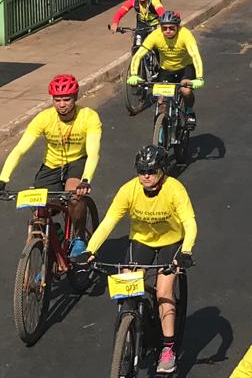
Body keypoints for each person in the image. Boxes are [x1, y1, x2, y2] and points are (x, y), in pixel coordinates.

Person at [75, 145, 196, 375]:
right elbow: (110, 221)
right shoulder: (129, 190)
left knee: (163, 291)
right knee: (129, 287)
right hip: (142, 241)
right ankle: (128, 330)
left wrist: (186, 251)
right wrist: (90, 250)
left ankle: (168, 349)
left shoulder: (175, 189)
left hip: (171, 242)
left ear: (162, 171)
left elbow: (189, 222)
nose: (146, 176)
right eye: (141, 171)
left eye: (151, 171)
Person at [0, 74, 100, 256]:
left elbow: (94, 153)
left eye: (67, 99)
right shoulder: (44, 118)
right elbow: (20, 149)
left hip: (77, 162)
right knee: (38, 214)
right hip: (51, 165)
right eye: (57, 99)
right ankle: (55, 247)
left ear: (75, 98)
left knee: (74, 197)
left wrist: (86, 180)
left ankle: (79, 237)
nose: (62, 104)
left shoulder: (89, 117)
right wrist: (2, 178)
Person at [128, 10, 205, 126]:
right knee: (161, 101)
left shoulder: (185, 35)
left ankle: (189, 111)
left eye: (171, 28)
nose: (167, 31)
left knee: (186, 90)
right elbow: (138, 54)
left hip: (185, 68)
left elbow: (195, 55)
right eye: (164, 28)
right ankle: (161, 131)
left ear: (178, 27)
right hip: (166, 69)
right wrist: (134, 74)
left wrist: (199, 78)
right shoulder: (155, 35)